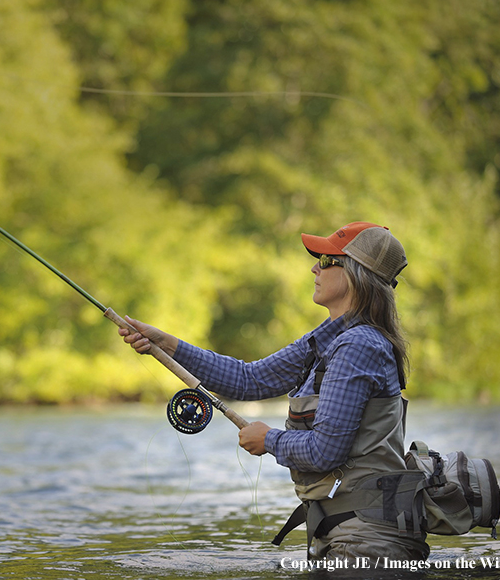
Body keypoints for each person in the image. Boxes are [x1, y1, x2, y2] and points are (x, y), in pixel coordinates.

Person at [118, 221, 429, 561]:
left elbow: (326, 451)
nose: (314, 267)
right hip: (344, 530)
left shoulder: (358, 346)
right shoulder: (329, 339)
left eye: (326, 260)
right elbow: (247, 380)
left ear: (356, 274)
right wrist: (165, 344)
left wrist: (268, 439)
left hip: (367, 538)